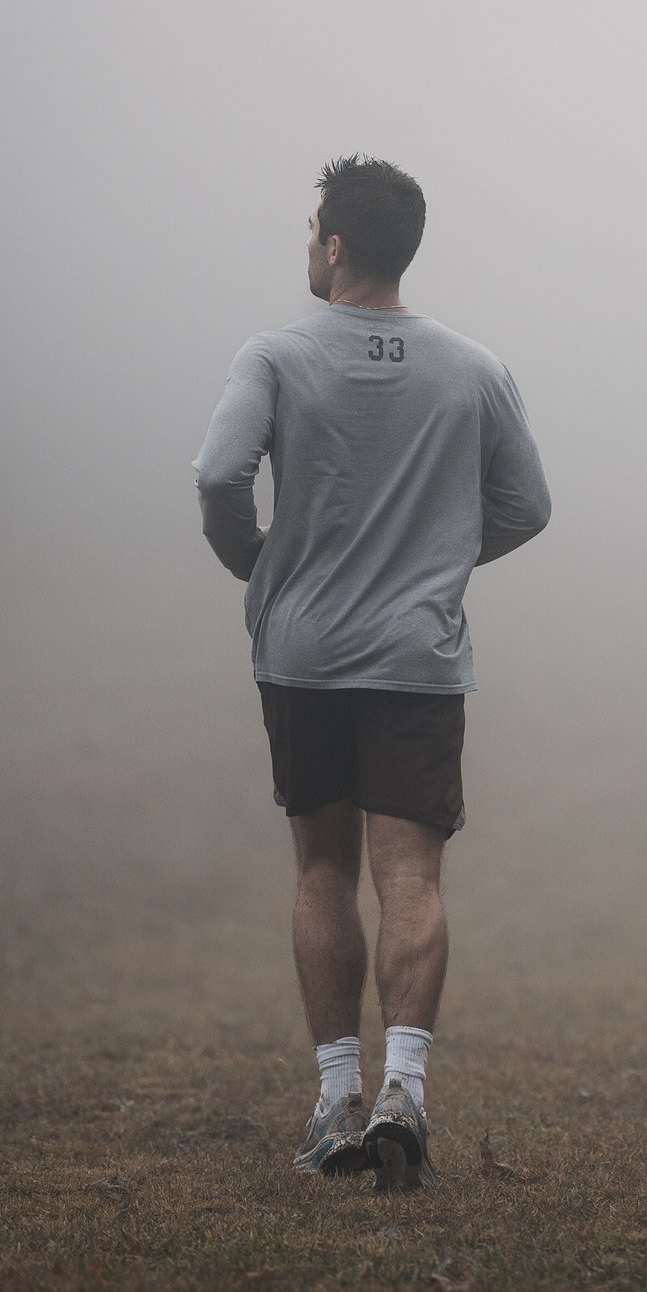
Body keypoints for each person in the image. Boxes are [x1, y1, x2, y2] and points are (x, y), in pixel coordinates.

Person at [193, 156, 551, 1194]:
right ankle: (406, 1091)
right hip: (414, 657)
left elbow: (219, 474)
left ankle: (336, 1101)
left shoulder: (274, 355)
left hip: (304, 651)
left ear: (337, 245)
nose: (309, 245)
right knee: (412, 879)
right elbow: (527, 507)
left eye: (314, 230)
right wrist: (434, 561)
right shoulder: (474, 369)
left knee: (322, 872)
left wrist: (257, 565)